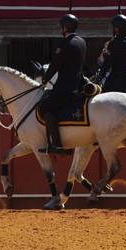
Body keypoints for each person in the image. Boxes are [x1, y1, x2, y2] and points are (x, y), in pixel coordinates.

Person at [38, 13, 87, 154]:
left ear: (65, 28)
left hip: (65, 86)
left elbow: (55, 65)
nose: (61, 29)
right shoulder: (82, 41)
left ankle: (57, 145)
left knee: (46, 107)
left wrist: (44, 79)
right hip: (79, 84)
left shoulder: (65, 44)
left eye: (61, 27)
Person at [97, 13, 126, 93]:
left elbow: (108, 63)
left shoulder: (114, 42)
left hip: (116, 79)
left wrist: (99, 76)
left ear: (117, 28)